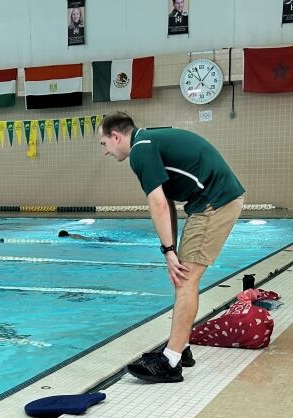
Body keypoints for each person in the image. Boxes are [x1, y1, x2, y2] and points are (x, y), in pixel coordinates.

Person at [98, 112, 245, 383]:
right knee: (182, 276)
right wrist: (171, 250)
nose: (105, 151)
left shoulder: (141, 151)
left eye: (104, 144)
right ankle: (183, 348)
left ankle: (172, 361)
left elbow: (158, 205)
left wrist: (168, 252)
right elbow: (167, 203)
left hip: (215, 201)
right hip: (213, 199)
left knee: (186, 280)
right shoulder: (148, 142)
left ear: (116, 136)